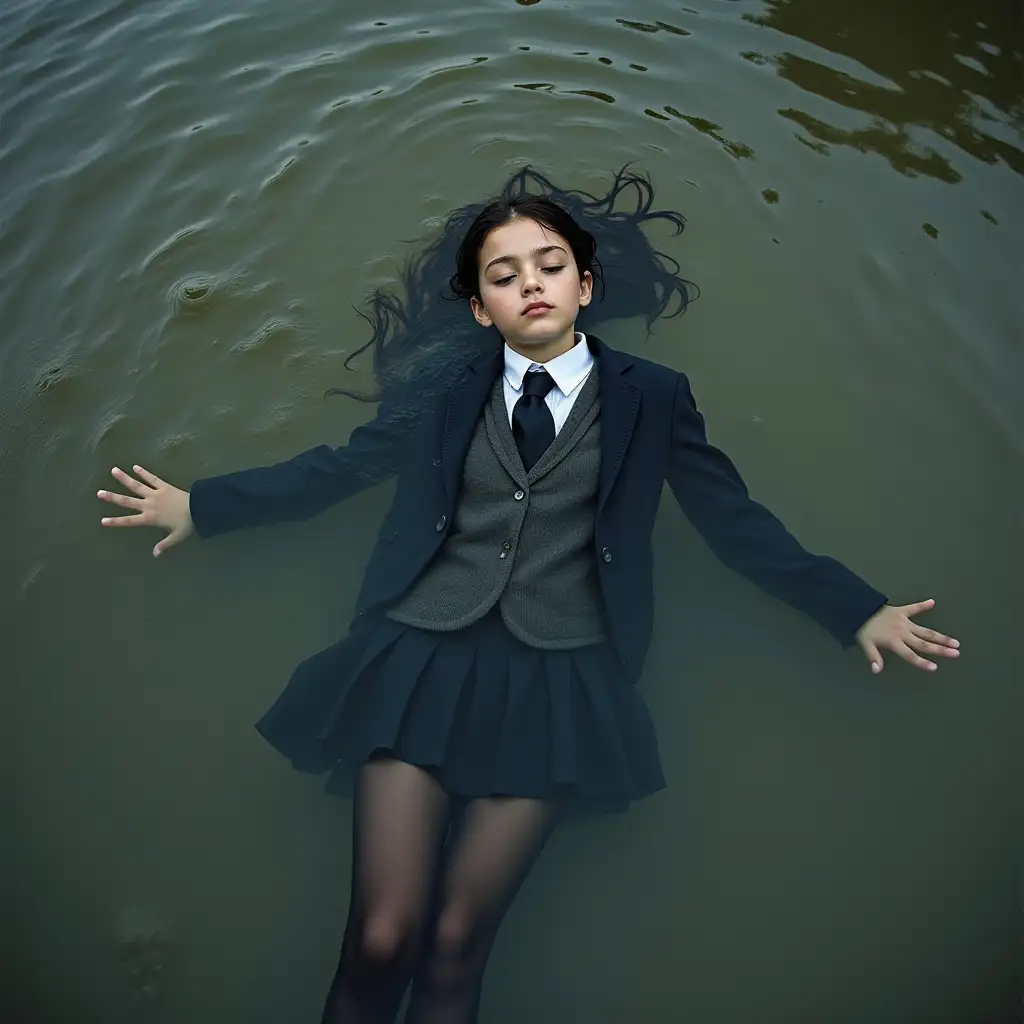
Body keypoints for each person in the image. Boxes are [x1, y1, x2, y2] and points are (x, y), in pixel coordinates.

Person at [96, 166, 960, 1023]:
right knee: (383, 937)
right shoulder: (444, 388)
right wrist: (202, 506)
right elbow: (342, 468)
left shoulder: (652, 399)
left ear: (586, 284)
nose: (529, 286)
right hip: (418, 661)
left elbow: (733, 521)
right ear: (480, 308)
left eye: (548, 266)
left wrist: (855, 609)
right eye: (502, 277)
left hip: (558, 682)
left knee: (456, 946)